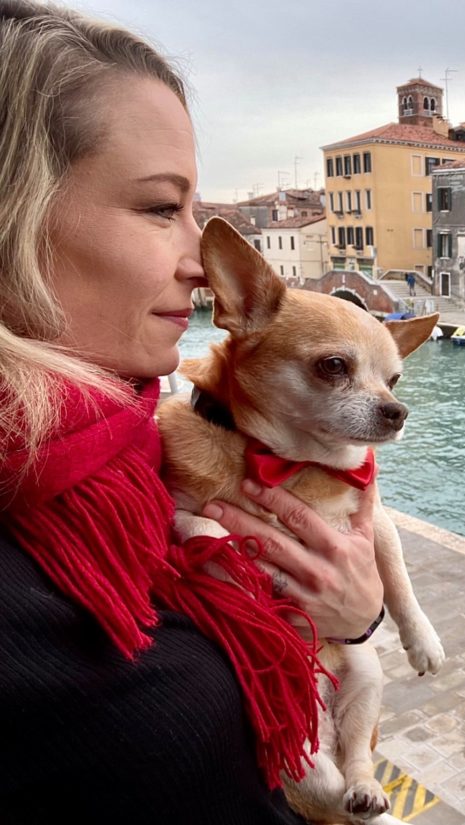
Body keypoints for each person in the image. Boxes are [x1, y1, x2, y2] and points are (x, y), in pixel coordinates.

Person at [0, 2, 384, 821]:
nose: (200, 267)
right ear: (14, 212)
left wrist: (359, 613)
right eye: (157, 209)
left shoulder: (134, 446)